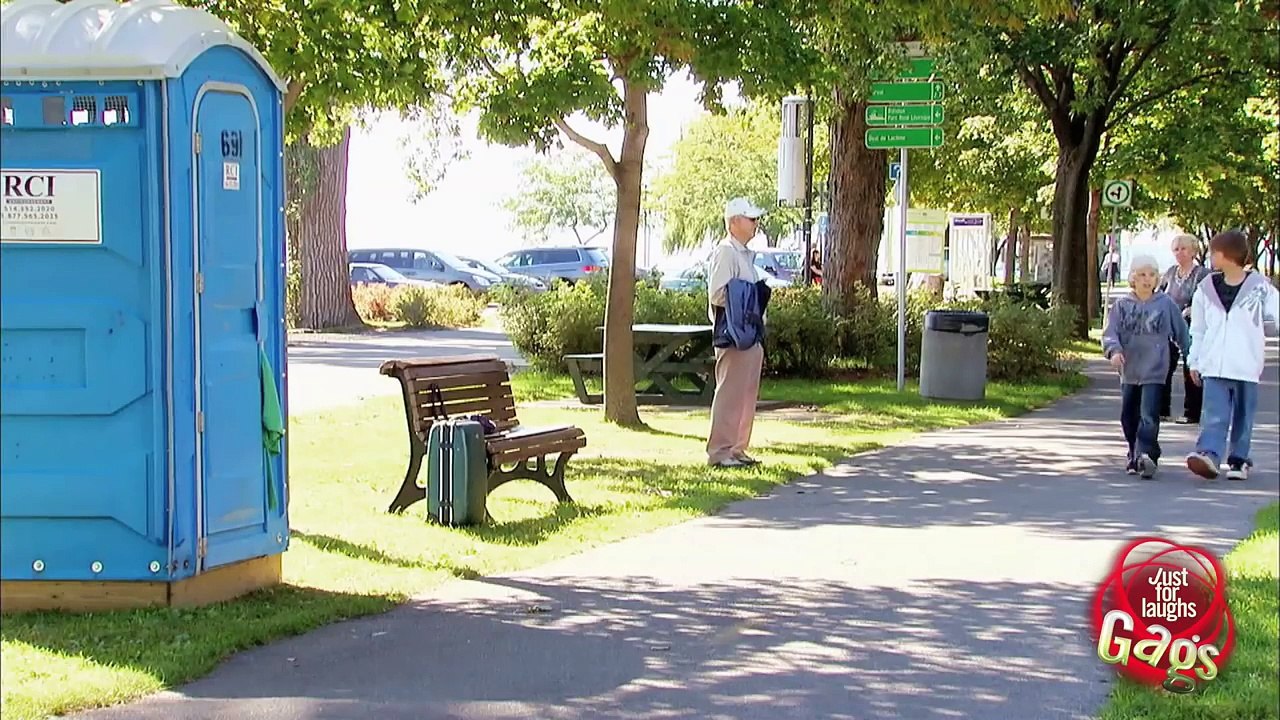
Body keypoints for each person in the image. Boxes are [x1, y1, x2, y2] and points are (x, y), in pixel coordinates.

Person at [1184, 230, 1280, 481]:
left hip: (1246, 364)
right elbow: (1199, 329)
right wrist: (1194, 360)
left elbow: (1277, 317)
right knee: (1214, 414)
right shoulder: (1206, 288)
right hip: (1214, 364)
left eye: (1214, 252)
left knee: (1243, 416)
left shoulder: (1260, 288)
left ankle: (1239, 460)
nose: (1211, 257)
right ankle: (1209, 455)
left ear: (1227, 255)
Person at [1101, 254, 1191, 479]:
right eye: (1142, 275)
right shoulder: (1121, 306)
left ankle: (1147, 455)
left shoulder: (1165, 304)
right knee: (1129, 416)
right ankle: (1133, 450)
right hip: (1130, 370)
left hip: (1155, 369)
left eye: (1152, 275)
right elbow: (1110, 333)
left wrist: (1192, 359)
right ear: (1132, 278)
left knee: (1149, 415)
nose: (1147, 279)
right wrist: (1114, 351)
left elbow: (1182, 333)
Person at [706, 197, 767, 468]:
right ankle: (720, 451)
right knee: (730, 392)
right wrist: (743, 298)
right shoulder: (726, 251)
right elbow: (718, 293)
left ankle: (738, 448)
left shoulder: (743, 254)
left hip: (750, 333)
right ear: (734, 222)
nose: (755, 223)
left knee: (746, 393)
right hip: (732, 334)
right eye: (750, 218)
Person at [1157, 234, 1211, 424]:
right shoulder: (1170, 272)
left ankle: (1192, 412)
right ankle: (1162, 409)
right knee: (1164, 365)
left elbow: (1207, 300)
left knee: (1191, 366)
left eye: (1184, 249)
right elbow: (1160, 294)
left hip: (1191, 324)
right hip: (1169, 325)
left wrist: (1191, 310)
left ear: (1193, 252)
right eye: (1176, 249)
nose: (1179, 253)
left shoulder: (1203, 274)